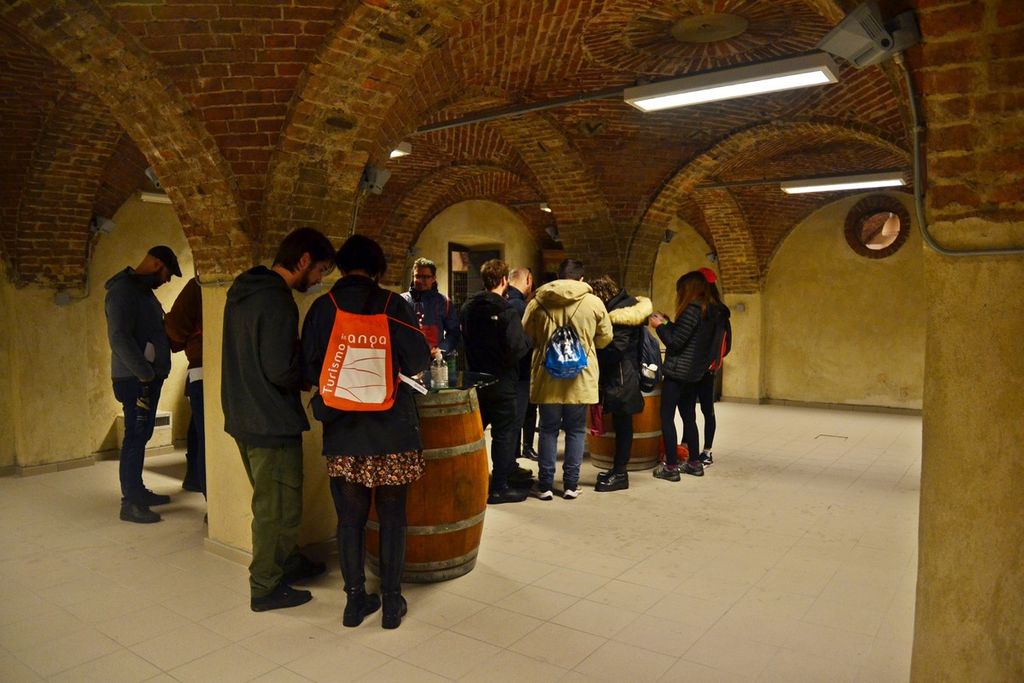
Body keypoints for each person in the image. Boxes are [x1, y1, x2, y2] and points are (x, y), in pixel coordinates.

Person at [301, 234, 431, 630]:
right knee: (392, 516)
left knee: (350, 518)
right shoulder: (393, 304)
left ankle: (354, 601)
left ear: (340, 266)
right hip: (392, 429)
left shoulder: (323, 307)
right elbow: (418, 358)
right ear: (377, 269)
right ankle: (391, 602)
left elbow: (309, 369)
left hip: (344, 431)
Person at [222, 227, 334, 612]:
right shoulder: (277, 300)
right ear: (303, 260)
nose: (318, 280)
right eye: (319, 270)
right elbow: (279, 369)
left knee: (274, 502)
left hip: (243, 413)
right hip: (270, 420)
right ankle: (266, 586)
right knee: (277, 509)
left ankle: (287, 561)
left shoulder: (245, 291)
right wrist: (309, 372)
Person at [522, 259, 612, 499]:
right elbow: (605, 338)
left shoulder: (538, 301)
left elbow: (527, 332)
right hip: (580, 376)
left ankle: (545, 486)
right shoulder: (594, 302)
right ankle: (571, 485)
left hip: (547, 375)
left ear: (558, 276)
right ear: (581, 278)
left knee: (548, 429)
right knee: (575, 430)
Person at [105, 245, 182, 524]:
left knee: (142, 433)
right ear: (157, 264)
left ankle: (137, 491)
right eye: (167, 274)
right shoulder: (123, 291)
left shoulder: (141, 291)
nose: (167, 281)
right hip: (135, 380)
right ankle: (131, 503)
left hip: (144, 378)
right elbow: (119, 337)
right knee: (136, 436)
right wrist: (145, 374)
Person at [461, 259, 533, 504]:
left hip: (475, 380)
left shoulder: (468, 308)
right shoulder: (506, 310)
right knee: (504, 435)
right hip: (502, 382)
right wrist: (529, 342)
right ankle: (499, 487)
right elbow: (516, 348)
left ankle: (469, 481)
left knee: (474, 434)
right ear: (504, 280)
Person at [649, 271, 723, 480]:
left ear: (689, 289)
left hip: (677, 373)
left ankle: (671, 467)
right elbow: (685, 336)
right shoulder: (710, 311)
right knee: (689, 417)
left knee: (667, 417)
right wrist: (667, 323)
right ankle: (694, 463)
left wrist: (659, 326)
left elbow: (675, 342)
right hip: (693, 374)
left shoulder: (691, 310)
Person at [588, 276, 653, 492]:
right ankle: (617, 470)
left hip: (622, 378)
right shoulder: (625, 308)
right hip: (623, 375)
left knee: (623, 425)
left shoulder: (621, 316)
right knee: (621, 424)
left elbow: (616, 350)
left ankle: (620, 474)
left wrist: (593, 352)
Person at [165, 276, 205, 496]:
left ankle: (194, 478)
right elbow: (176, 328)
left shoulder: (197, 287)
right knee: (205, 436)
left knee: (199, 431)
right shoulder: (198, 287)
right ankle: (202, 486)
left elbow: (175, 328)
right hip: (205, 369)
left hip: (199, 371)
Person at [695, 267, 732, 467]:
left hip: (696, 367)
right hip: (710, 368)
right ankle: (706, 451)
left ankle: (687, 447)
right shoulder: (722, 312)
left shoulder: (700, 310)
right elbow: (728, 345)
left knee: (688, 409)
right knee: (707, 410)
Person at [506, 267, 538, 462]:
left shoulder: (503, 301)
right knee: (524, 411)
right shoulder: (521, 306)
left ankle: (517, 451)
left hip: (506, 369)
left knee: (516, 413)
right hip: (524, 368)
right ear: (528, 280)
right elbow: (530, 336)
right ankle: (523, 449)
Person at [401, 257, 460, 360]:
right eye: (417, 276)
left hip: (434, 360)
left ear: (433, 278)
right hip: (407, 360)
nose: (420, 280)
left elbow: (454, 332)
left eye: (425, 277)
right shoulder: (402, 301)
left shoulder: (444, 302)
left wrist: (441, 350)